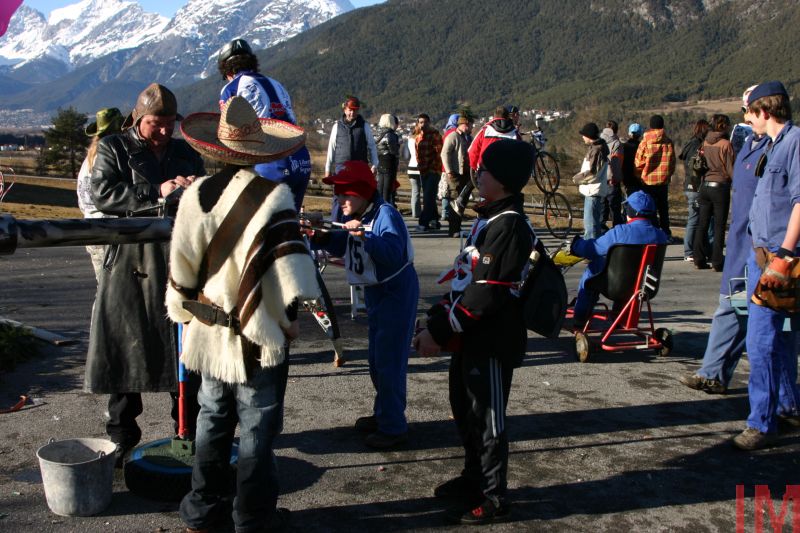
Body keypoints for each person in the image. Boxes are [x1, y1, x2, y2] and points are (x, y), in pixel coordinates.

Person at [169, 96, 319, 533]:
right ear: (259, 150)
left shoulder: (195, 194)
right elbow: (289, 274)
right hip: (258, 332)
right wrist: (289, 322)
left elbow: (181, 268)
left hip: (208, 329)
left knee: (212, 416)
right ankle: (253, 517)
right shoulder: (275, 198)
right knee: (257, 424)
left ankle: (202, 509)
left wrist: (186, 312)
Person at [414, 139, 536, 525]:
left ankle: (494, 495)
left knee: (487, 419)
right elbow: (465, 278)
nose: (477, 175)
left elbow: (486, 294)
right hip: (470, 336)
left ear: (503, 180)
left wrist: (439, 331)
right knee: (464, 409)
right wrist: (437, 317)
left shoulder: (510, 225)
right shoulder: (490, 219)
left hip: (492, 340)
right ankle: (473, 477)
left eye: (484, 170)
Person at [86, 83, 205, 464]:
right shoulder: (114, 148)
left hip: (178, 261)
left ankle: (188, 431)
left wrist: (194, 190)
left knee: (183, 353)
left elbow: (206, 198)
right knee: (125, 352)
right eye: (157, 123)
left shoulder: (186, 152)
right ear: (139, 119)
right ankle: (122, 436)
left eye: (170, 123)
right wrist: (156, 192)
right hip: (130, 263)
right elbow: (103, 194)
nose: (165, 130)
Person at [311, 160, 419, 449]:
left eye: (346, 193)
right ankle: (384, 413)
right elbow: (340, 243)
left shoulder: (385, 214)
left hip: (395, 292)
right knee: (376, 359)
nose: (339, 198)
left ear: (363, 192)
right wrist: (316, 235)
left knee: (389, 361)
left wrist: (365, 236)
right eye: (337, 192)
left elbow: (393, 253)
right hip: (376, 292)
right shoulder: (359, 213)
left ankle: (393, 427)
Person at [679, 87, 768, 394]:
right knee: (730, 308)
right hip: (742, 244)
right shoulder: (744, 145)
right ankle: (713, 372)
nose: (745, 118)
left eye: (748, 111)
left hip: (763, 249)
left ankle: (784, 400)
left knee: (771, 327)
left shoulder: (781, 147)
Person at [733, 80, 800, 450]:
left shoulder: (794, 143)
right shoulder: (773, 146)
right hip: (761, 256)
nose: (747, 119)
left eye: (749, 112)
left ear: (764, 110)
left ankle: (761, 423)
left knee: (760, 342)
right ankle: (788, 407)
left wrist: (784, 256)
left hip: (778, 259)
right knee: (781, 339)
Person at [217, 38, 312, 212]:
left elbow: (230, 136)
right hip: (301, 157)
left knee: (257, 222)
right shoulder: (277, 84)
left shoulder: (231, 88)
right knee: (289, 221)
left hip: (270, 159)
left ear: (227, 71)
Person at [570, 191, 669, 327]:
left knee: (594, 268)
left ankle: (580, 317)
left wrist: (576, 245)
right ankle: (619, 315)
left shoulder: (620, 232)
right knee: (627, 269)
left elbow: (592, 249)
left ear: (630, 211)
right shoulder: (661, 236)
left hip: (616, 286)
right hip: (645, 287)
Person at [76, 107, 124, 280]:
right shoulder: (108, 158)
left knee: (103, 284)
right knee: (113, 285)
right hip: (108, 228)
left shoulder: (89, 158)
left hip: (91, 226)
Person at [325, 97, 378, 221]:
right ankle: (335, 224)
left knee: (357, 197)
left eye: (355, 110)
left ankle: (353, 224)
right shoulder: (336, 126)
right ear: (345, 109)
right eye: (350, 110)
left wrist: (375, 164)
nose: (352, 113)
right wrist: (328, 168)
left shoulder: (364, 126)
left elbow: (372, 146)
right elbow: (331, 148)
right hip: (341, 167)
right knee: (339, 196)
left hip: (359, 167)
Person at [693, 114, 734, 272]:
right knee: (719, 226)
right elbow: (730, 169)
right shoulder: (726, 144)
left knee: (702, 224)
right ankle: (717, 260)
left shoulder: (705, 142)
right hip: (720, 186)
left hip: (705, 185)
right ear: (724, 126)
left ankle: (698, 257)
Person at [635, 115, 676, 240]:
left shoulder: (645, 142)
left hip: (648, 181)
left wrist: (639, 175)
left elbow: (638, 163)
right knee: (663, 209)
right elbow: (672, 163)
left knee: (649, 208)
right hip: (663, 181)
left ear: (651, 126)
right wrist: (667, 175)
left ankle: (652, 233)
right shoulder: (668, 142)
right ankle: (666, 233)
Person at [677, 119, 710, 262]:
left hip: (689, 185)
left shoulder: (690, 144)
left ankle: (692, 250)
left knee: (695, 219)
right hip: (697, 185)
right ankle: (690, 251)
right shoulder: (699, 146)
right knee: (695, 219)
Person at [572, 122, 609, 240]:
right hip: (593, 190)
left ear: (588, 136)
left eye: (583, 135)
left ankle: (591, 248)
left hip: (592, 191)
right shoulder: (598, 148)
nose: (582, 137)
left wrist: (577, 179)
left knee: (590, 226)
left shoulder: (596, 150)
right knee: (594, 224)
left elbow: (593, 173)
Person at [441, 114, 472, 237]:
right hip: (454, 174)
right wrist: (449, 171)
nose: (471, 127)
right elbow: (444, 154)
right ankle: (453, 229)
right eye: (469, 125)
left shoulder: (466, 137)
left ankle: (457, 228)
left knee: (461, 201)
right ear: (463, 125)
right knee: (455, 200)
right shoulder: (453, 136)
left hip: (463, 173)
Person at [416, 113, 444, 231]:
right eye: (421, 122)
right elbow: (418, 155)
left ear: (429, 123)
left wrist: (433, 167)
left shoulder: (434, 135)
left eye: (425, 122)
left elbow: (439, 152)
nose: (423, 124)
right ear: (418, 124)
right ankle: (434, 220)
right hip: (423, 170)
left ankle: (423, 223)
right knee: (430, 197)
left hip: (433, 169)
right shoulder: (418, 137)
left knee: (428, 197)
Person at [600, 120, 624, 228]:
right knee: (615, 211)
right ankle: (616, 232)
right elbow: (616, 163)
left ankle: (601, 232)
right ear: (616, 130)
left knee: (602, 210)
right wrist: (617, 178)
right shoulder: (616, 143)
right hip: (611, 180)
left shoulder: (598, 141)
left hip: (600, 179)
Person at [375, 113, 400, 203]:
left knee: (380, 186)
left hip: (379, 161)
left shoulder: (376, 134)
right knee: (387, 189)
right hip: (389, 162)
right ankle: (386, 206)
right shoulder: (391, 134)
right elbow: (394, 150)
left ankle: (379, 206)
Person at [401, 124, 422, 218]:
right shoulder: (422, 139)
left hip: (411, 166)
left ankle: (415, 213)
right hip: (421, 167)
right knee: (425, 191)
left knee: (415, 191)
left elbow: (406, 156)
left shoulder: (409, 140)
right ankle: (424, 213)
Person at [621, 123, 644, 195]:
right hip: (640, 179)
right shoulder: (642, 147)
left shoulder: (624, 146)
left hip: (627, 178)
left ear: (629, 133)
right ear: (640, 134)